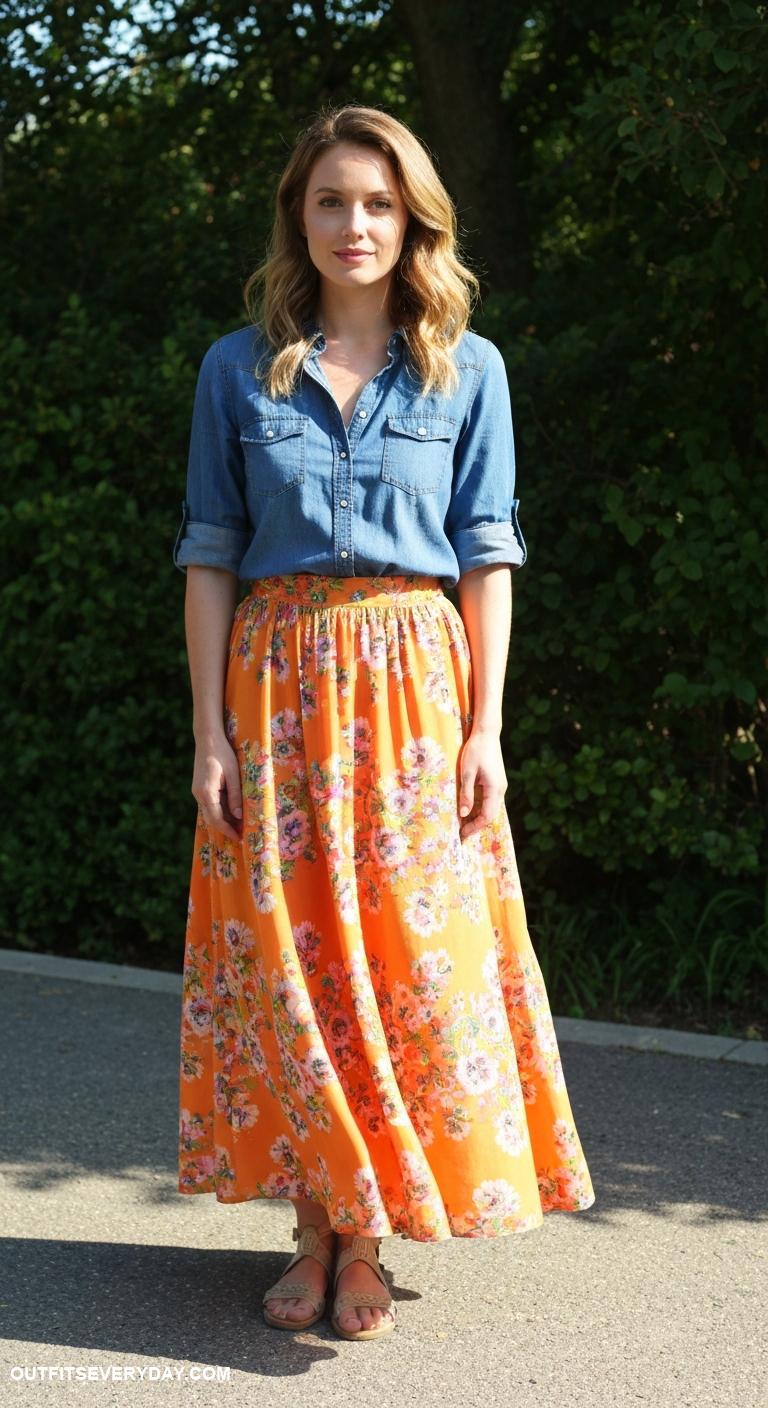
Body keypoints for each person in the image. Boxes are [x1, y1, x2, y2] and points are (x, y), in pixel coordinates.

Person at [172, 102, 595, 1344]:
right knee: (291, 958)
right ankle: (317, 1228)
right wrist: (209, 734)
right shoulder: (235, 369)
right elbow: (210, 553)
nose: (353, 223)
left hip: (415, 693)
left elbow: (488, 556)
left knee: (410, 965)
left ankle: (367, 1232)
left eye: (377, 202)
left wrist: (486, 730)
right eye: (330, 201)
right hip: (274, 689)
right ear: (297, 218)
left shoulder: (469, 369)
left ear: (412, 220)